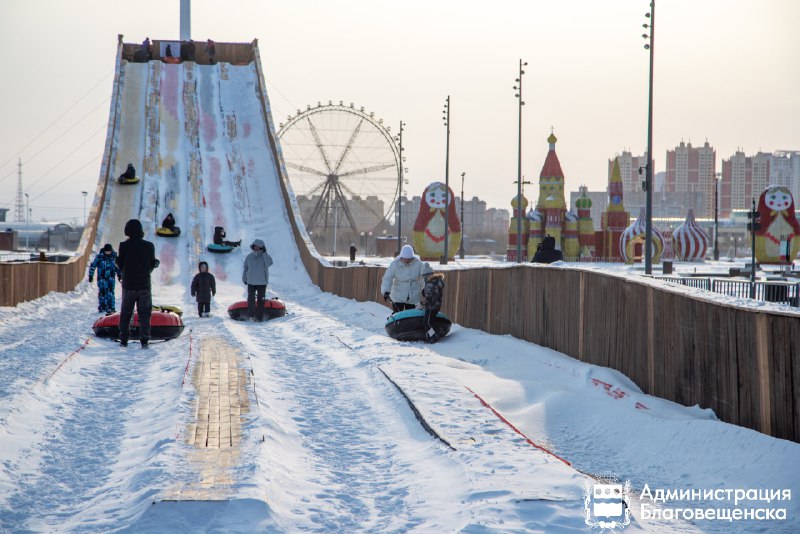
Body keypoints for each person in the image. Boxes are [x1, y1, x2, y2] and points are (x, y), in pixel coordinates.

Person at [117, 219, 159, 347]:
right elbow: (152, 265)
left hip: (128, 285)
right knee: (145, 314)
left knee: (126, 313)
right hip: (144, 284)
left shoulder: (123, 246)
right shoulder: (149, 246)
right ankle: (144, 339)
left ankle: (124, 338)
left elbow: (120, 265)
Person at [381, 244, 430, 313]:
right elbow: (387, 278)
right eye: (405, 259)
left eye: (409, 259)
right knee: (397, 314)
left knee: (411, 315)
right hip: (398, 295)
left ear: (412, 257)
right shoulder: (395, 264)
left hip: (413, 295)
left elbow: (423, 277)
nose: (406, 261)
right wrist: (386, 291)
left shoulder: (418, 264)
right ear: (401, 257)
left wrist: (424, 288)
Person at [242, 239, 273, 321]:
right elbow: (245, 268)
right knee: (251, 298)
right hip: (251, 281)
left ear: (262, 247)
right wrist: (244, 278)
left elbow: (269, 263)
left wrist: (265, 253)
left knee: (261, 300)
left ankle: (259, 317)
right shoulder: (249, 257)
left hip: (262, 282)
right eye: (255, 246)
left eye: (258, 246)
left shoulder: (265, 256)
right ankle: (251, 316)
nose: (256, 247)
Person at [88, 243, 121, 314]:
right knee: (102, 292)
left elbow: (118, 268)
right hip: (101, 278)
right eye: (106, 251)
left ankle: (111, 307)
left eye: (109, 251)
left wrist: (120, 275)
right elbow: (93, 266)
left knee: (110, 292)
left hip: (111, 278)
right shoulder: (99, 257)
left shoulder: (114, 257)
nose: (108, 253)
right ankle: (102, 307)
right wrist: (91, 275)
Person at [420, 269, 445, 343]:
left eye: (424, 276)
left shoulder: (430, 283)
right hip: (436, 305)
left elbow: (428, 297)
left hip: (431, 306)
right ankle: (429, 337)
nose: (423, 279)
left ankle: (434, 336)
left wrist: (421, 304)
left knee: (426, 323)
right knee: (430, 322)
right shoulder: (436, 282)